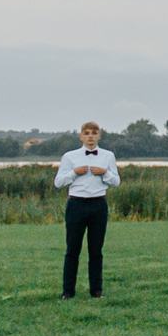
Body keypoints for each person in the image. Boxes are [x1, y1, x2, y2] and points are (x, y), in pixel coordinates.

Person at [54, 122, 120, 298]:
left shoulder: (108, 156)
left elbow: (116, 182)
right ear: (81, 137)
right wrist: (74, 173)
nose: (90, 136)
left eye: (94, 133)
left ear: (99, 136)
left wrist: (104, 173)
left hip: (98, 204)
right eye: (87, 133)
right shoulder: (70, 157)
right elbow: (58, 183)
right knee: (72, 250)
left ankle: (96, 291)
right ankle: (68, 292)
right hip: (76, 204)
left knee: (96, 250)